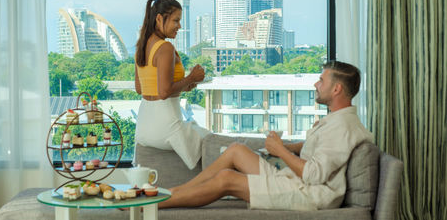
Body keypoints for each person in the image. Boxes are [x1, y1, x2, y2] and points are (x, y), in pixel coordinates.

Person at [158, 60, 374, 211]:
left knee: (227, 179)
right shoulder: (337, 120)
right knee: (236, 151)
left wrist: (279, 151)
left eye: (321, 81)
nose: (316, 85)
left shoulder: (343, 127)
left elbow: (314, 175)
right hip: (297, 181)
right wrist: (289, 147)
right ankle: (176, 191)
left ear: (336, 89)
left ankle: (157, 203)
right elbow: (317, 150)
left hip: (310, 194)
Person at [134, 0, 210, 170]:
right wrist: (191, 77)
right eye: (176, 20)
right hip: (166, 127)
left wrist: (185, 85)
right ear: (159, 18)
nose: (180, 26)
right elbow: (164, 92)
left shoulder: (142, 46)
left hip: (144, 127)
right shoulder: (165, 47)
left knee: (198, 133)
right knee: (211, 141)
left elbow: (141, 88)